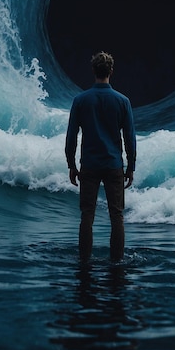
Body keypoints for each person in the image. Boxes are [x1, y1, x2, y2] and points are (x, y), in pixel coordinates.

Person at [65, 51, 136, 262]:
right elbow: (130, 138)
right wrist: (130, 167)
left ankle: (84, 261)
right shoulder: (123, 101)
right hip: (114, 164)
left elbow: (71, 137)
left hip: (90, 165)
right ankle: (117, 262)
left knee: (87, 216)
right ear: (111, 72)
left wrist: (71, 164)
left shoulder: (80, 100)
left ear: (93, 71)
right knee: (117, 216)